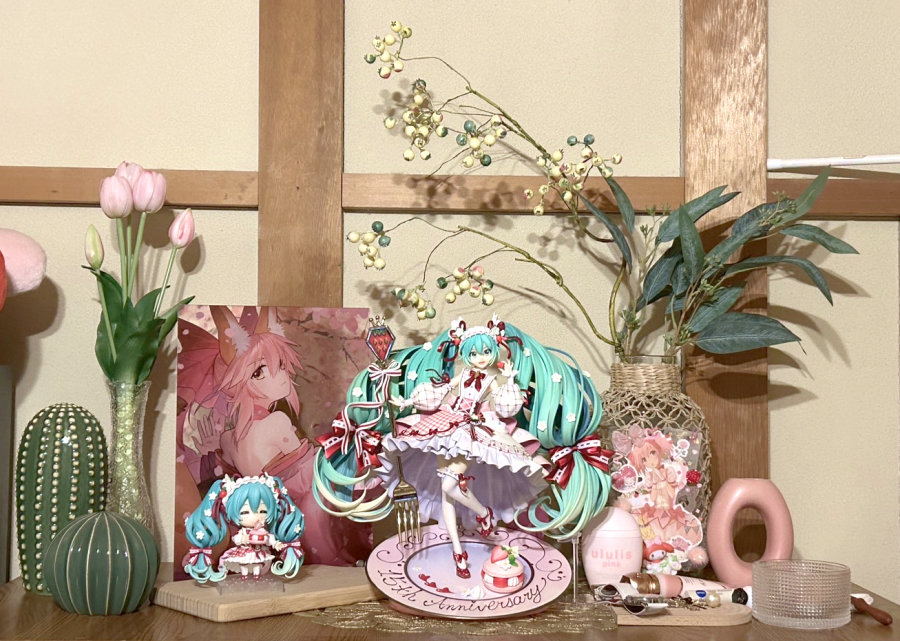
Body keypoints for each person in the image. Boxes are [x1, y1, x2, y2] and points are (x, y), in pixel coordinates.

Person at [315, 315, 613, 578]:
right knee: (446, 492)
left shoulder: (493, 379)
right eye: (473, 353)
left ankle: (483, 512)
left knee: (449, 484)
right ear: (465, 354)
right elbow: (439, 391)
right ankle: (458, 550)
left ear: (493, 351)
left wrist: (510, 380)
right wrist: (406, 401)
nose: (480, 358)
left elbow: (507, 406)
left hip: (474, 428)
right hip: (448, 422)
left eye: (485, 352)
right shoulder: (464, 375)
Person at [178, 306, 371, 566]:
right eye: (259, 372)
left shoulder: (229, 438)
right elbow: (306, 467)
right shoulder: (276, 421)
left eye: (280, 366)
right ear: (237, 381)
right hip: (287, 498)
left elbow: (215, 467)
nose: (280, 378)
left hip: (273, 503)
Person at [183, 474, 304, 582]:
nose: (255, 516)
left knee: (258, 565)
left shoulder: (263, 530)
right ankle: (245, 576)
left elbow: (269, 539)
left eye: (262, 511)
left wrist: (276, 544)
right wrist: (243, 539)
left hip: (259, 552)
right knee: (244, 564)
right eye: (245, 512)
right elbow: (236, 539)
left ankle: (256, 576)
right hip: (245, 551)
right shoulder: (243, 531)